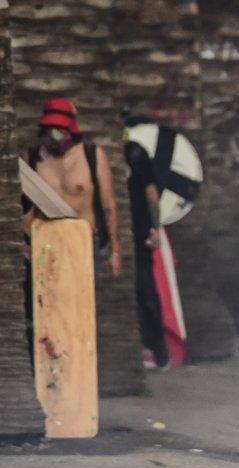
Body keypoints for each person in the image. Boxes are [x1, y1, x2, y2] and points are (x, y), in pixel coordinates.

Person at [24, 98, 122, 278]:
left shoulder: (91, 155)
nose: (55, 134)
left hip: (85, 242)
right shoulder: (35, 158)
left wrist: (115, 251)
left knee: (84, 294)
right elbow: (27, 208)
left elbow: (109, 206)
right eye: (50, 128)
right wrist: (28, 243)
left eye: (60, 129)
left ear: (70, 129)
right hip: (48, 244)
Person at [122, 117, 170, 369]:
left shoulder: (136, 153)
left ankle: (156, 347)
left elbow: (152, 195)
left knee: (144, 290)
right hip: (138, 233)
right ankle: (153, 347)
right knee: (144, 291)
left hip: (138, 233)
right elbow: (152, 196)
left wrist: (155, 228)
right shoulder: (134, 152)